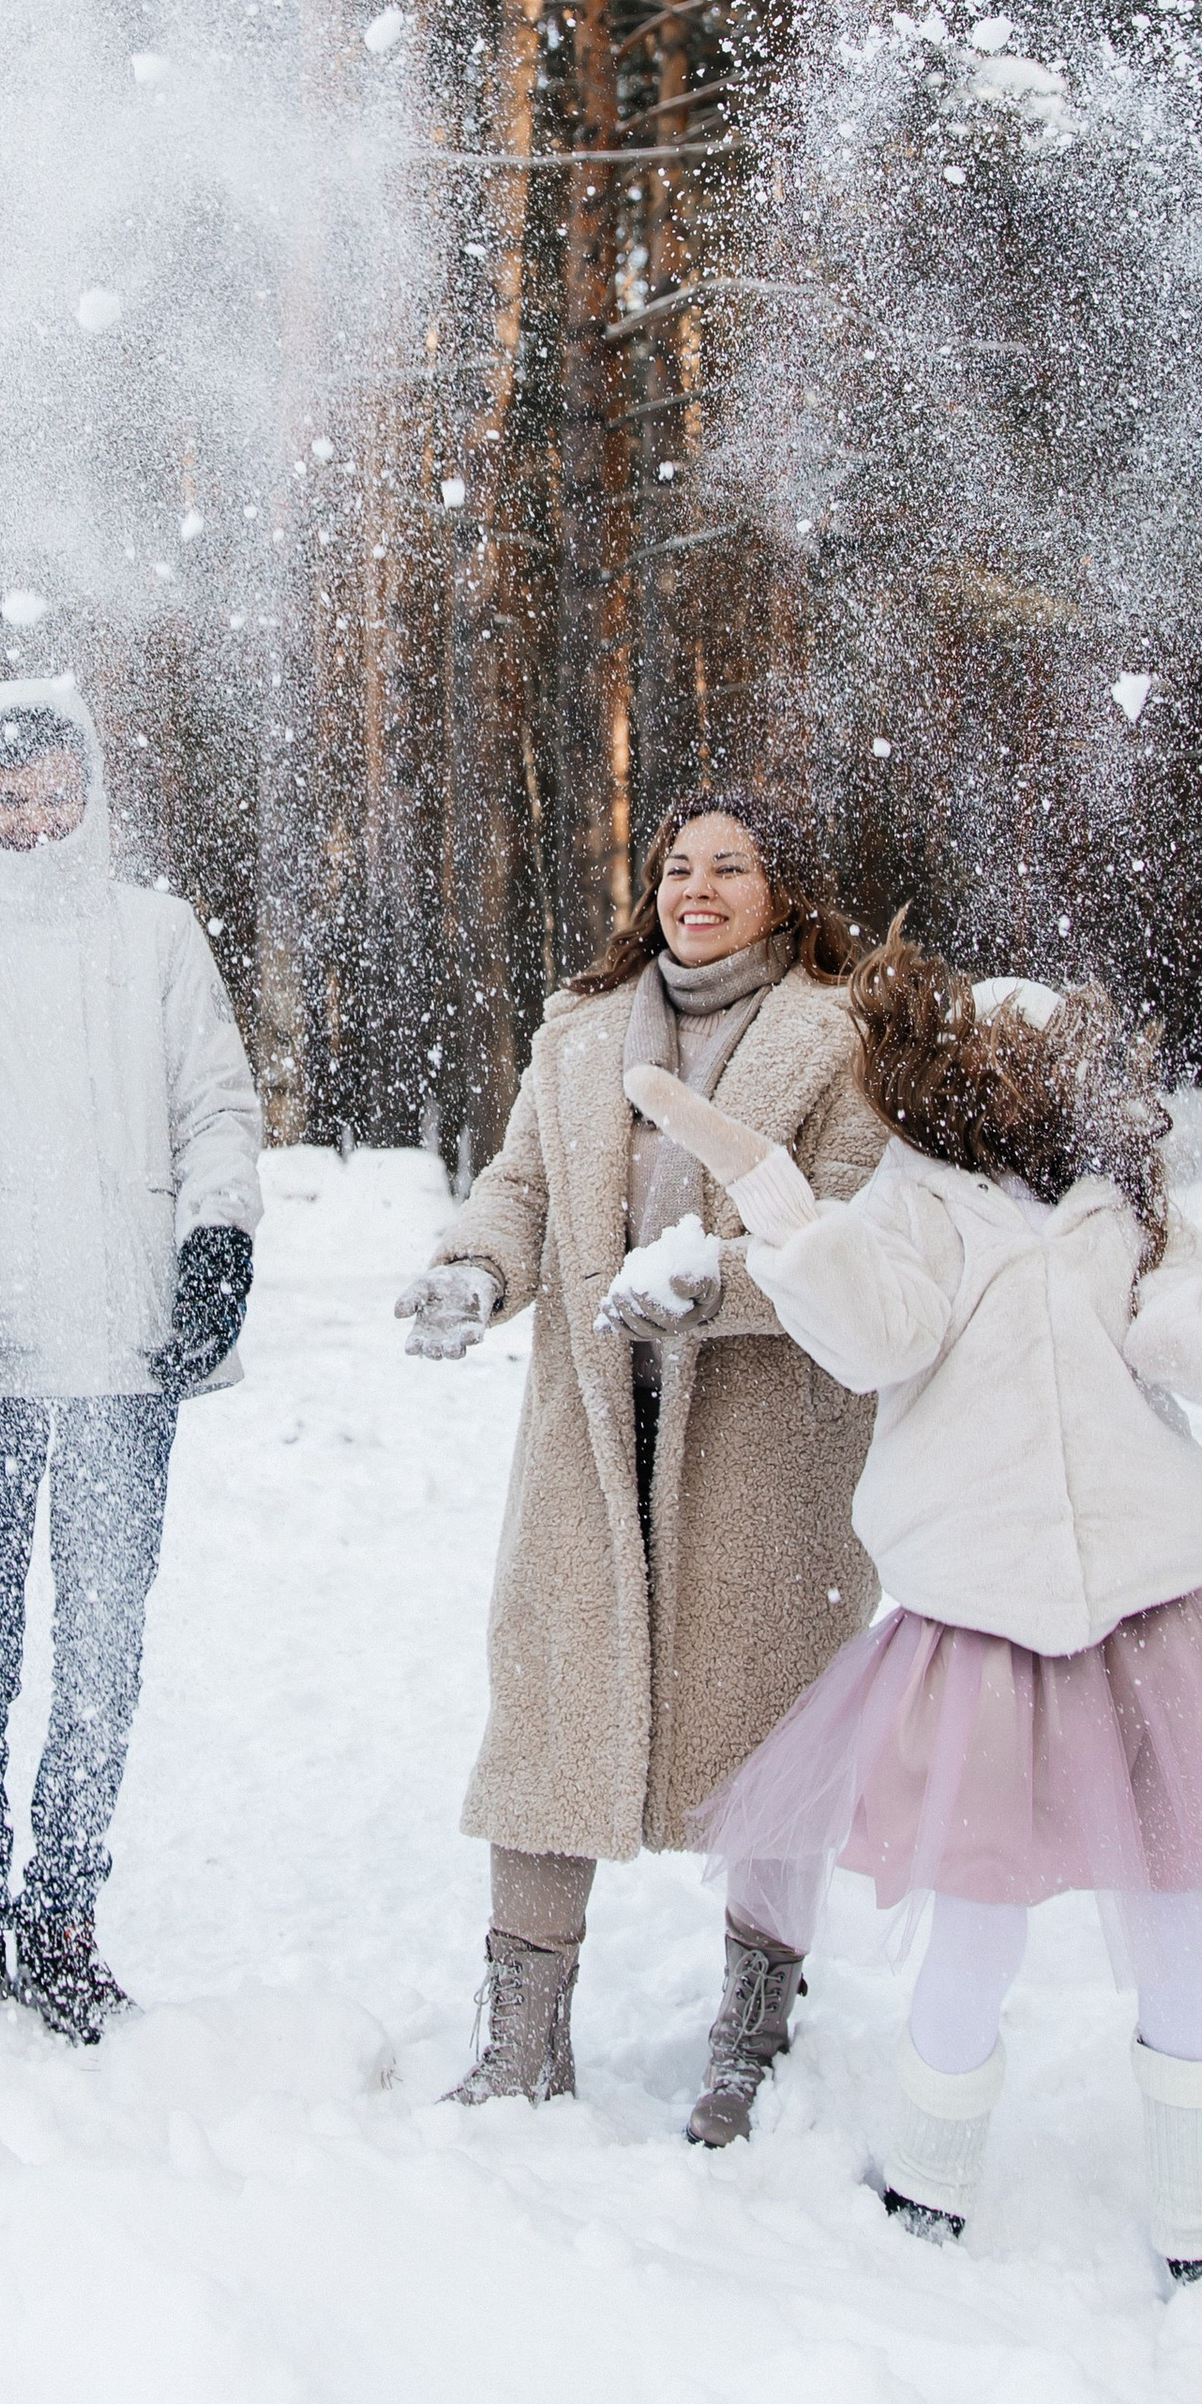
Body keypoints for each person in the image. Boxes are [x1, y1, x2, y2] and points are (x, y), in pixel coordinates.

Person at [641, 935, 1202, 2276]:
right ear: (954, 1075)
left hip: (1149, 1620)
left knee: (1183, 1909)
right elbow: (876, 1334)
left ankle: (1201, 2215)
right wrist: (778, 1204)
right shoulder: (916, 1199)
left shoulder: (1129, 1206)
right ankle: (931, 2183)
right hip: (979, 1630)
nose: (1017, 1088)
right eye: (996, 1066)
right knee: (979, 1915)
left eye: (1043, 1067)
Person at [392, 789, 886, 2140]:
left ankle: (753, 2027)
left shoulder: (842, 1040)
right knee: (552, 1715)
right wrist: (472, 1270)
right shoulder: (579, 1034)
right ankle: (520, 2040)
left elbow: (852, 1231)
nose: (700, 889)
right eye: (680, 866)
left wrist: (715, 1284)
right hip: (595, 1437)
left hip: (767, 1444)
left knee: (776, 1733)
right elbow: (521, 1191)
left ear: (785, 893)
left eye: (732, 867)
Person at [0, 675, 264, 2046]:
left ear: (91, 791)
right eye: (6, 792)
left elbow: (216, 1096)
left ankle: (64, 1913)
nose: (33, 816)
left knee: (103, 1649)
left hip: (123, 1349)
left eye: (54, 788)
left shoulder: (153, 935)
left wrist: (218, 1237)